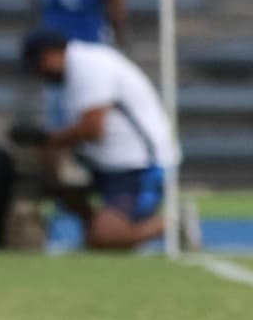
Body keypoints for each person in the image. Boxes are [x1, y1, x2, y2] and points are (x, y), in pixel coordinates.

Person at [16, 29, 181, 250]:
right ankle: (99, 227)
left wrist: (46, 139)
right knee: (48, 172)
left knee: (103, 238)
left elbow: (93, 129)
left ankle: (171, 225)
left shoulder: (90, 66)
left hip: (138, 165)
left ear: (50, 55)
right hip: (106, 163)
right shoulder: (74, 72)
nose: (38, 75)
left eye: (38, 66)